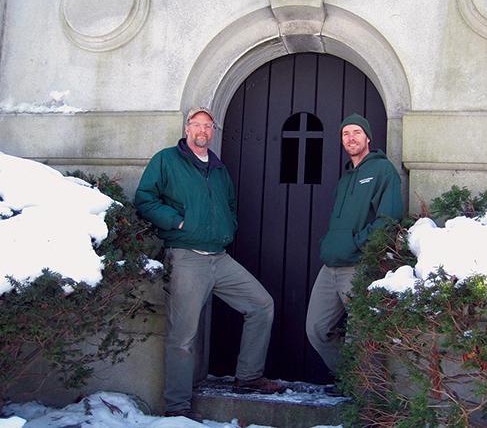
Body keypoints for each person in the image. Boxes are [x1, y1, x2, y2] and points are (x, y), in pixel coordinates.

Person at [135, 108, 283, 418]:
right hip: (187, 258)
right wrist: (177, 223)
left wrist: (228, 226)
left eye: (208, 125)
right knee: (183, 336)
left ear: (212, 131)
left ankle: (248, 377)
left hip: (220, 257)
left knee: (261, 304)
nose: (203, 130)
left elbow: (228, 204)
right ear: (187, 128)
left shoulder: (218, 168)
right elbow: (145, 199)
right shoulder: (166, 160)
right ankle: (177, 408)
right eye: (197, 124)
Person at [306, 113, 402, 374]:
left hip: (358, 266)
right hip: (331, 265)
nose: (351, 138)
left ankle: (365, 398)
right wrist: (331, 244)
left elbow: (389, 218)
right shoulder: (346, 177)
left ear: (368, 137)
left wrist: (357, 244)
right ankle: (349, 378)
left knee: (361, 334)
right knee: (316, 328)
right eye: (346, 133)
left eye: (356, 132)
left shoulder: (383, 171)